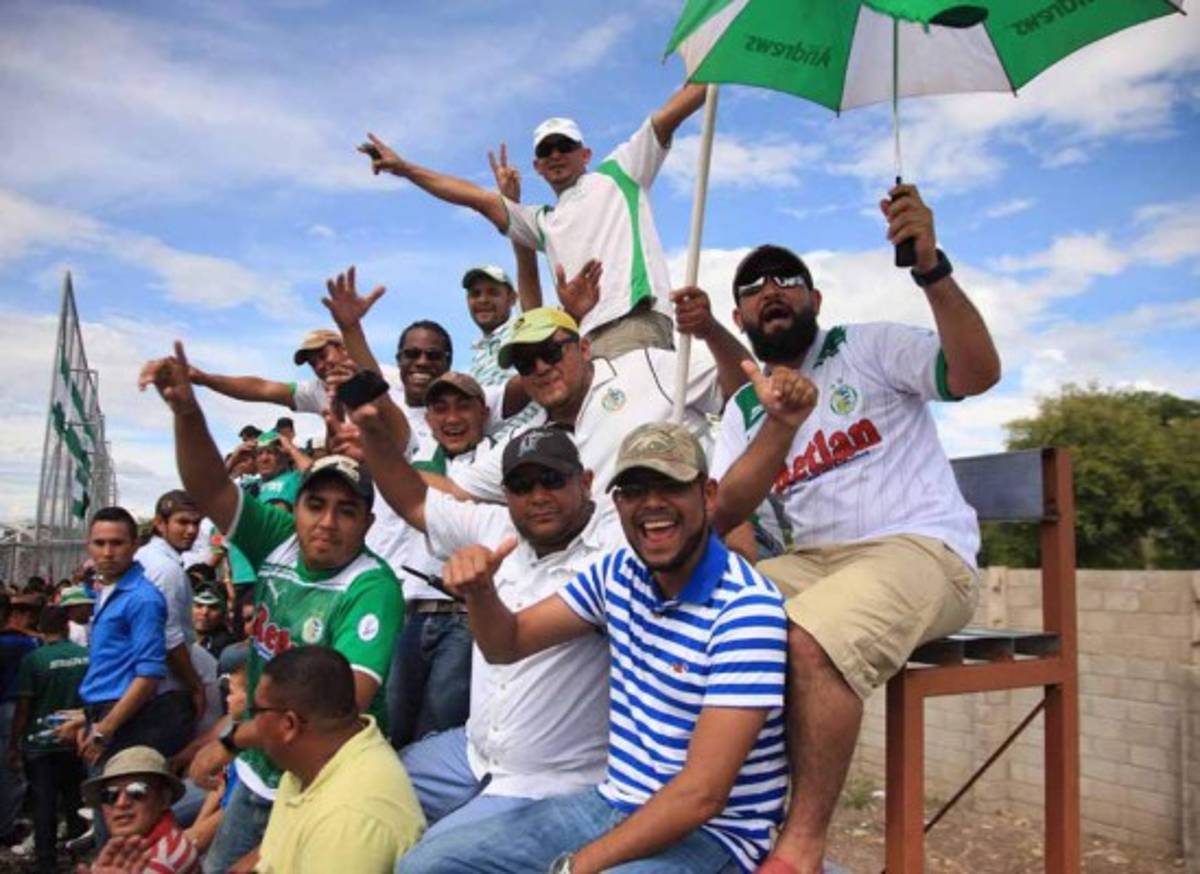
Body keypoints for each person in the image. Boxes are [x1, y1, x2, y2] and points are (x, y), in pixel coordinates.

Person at [709, 185, 1001, 874]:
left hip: (923, 550)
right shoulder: (744, 406)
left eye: (788, 279)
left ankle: (802, 848)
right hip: (817, 562)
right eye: (752, 286)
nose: (770, 289)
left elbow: (977, 374)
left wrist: (930, 268)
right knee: (702, 616)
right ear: (737, 315)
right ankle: (714, 808)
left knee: (808, 637)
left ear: (815, 300)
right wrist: (775, 426)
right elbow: (725, 513)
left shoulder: (865, 347)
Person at [396, 422, 788, 873]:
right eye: (635, 490)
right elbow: (509, 644)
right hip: (614, 802)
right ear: (617, 503)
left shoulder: (744, 609)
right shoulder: (620, 573)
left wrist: (574, 867)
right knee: (425, 866)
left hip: (712, 834)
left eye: (672, 485)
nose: (652, 503)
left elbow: (702, 794)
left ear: (708, 494)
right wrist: (482, 593)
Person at [138, 342, 403, 874]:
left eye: (346, 510)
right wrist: (187, 412)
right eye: (316, 505)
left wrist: (232, 737)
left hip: (323, 780)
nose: (327, 522)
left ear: (368, 523)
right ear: (296, 508)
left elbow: (338, 704)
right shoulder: (278, 538)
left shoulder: (373, 586)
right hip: (262, 768)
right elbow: (210, 486)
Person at [352, 397, 616, 837]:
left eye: (551, 480)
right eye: (521, 485)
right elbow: (413, 500)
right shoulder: (498, 527)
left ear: (585, 482)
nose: (538, 497)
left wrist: (479, 593)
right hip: (471, 754)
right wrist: (374, 434)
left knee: (423, 867)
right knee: (361, 798)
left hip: (549, 782)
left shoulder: (615, 549)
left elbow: (504, 643)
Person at [360, 83, 708, 359]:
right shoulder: (542, 221)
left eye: (564, 146)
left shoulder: (619, 172)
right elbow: (475, 197)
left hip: (633, 322)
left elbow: (667, 116)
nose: (556, 154)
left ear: (585, 154)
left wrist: (716, 61)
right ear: (538, 166)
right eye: (545, 151)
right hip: (579, 343)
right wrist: (405, 169)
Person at [439, 302, 750, 522]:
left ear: (584, 348)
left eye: (550, 352)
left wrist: (710, 331)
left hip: (700, 539)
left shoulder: (646, 366)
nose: (541, 368)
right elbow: (454, 491)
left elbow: (743, 391)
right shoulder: (528, 441)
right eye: (526, 363)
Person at [366, 372, 495, 748]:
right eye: (440, 408)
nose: (452, 418)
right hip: (409, 613)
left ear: (484, 411)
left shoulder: (499, 458)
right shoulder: (417, 454)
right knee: (391, 723)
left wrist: (407, 476)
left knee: (439, 729)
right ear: (428, 419)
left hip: (463, 616)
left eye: (463, 406)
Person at [255, 646, 424, 873]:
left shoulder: (347, 821)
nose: (252, 723)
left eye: (256, 711)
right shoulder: (306, 765)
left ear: (289, 725)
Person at [75, 507, 174, 764]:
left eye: (117, 543)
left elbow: (149, 674)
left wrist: (105, 729)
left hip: (123, 720)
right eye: (100, 543)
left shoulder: (142, 598)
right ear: (89, 546)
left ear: (135, 545)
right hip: (102, 713)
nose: (107, 552)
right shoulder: (108, 590)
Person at [9, 606, 88, 874]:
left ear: (41, 629)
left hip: (39, 744)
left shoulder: (35, 660)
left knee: (44, 804)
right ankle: (80, 858)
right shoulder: (85, 657)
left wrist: (13, 744)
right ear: (67, 627)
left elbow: (24, 707)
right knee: (75, 800)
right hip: (76, 740)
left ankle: (46, 862)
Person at [135, 491, 208, 748]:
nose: (191, 530)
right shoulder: (166, 570)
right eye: (182, 522)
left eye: (196, 523)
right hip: (162, 695)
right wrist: (196, 686)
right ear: (160, 523)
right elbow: (169, 638)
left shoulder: (143, 557)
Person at [80, 745, 199, 873]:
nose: (121, 803)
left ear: (164, 799)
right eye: (109, 794)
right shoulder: (166, 840)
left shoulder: (160, 859)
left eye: (136, 791)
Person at [186, 328, 351, 416]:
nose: (321, 366)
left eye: (323, 355)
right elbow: (262, 389)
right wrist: (204, 379)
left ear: (343, 349)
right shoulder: (315, 390)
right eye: (313, 363)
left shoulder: (376, 373)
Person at [0, 593, 41, 843]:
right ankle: (6, 827)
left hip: (10, 708)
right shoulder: (24, 644)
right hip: (11, 708)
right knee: (9, 769)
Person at [191, 585, 234, 662]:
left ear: (224, 613)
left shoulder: (227, 646)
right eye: (199, 606)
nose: (204, 612)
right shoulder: (179, 638)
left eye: (213, 607)